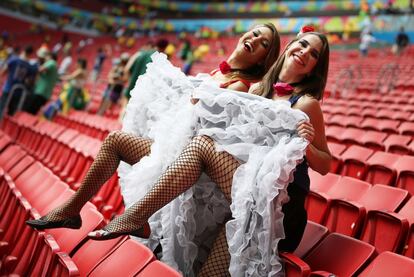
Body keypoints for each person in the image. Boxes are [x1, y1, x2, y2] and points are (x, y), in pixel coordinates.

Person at [26, 23, 282, 274]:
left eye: (264, 44)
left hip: (191, 162)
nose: (255, 40)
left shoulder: (240, 86)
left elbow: (206, 125)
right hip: (171, 147)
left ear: (263, 59)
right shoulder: (216, 73)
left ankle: (130, 218)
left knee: (119, 142)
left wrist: (192, 97)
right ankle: (72, 209)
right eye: (256, 33)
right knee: (115, 139)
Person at [92, 31, 331, 276]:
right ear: (290, 46)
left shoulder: (306, 103)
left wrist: (307, 144)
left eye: (313, 54)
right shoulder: (258, 89)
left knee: (201, 145)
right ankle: (146, 228)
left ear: (314, 69)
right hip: (244, 192)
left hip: (279, 205)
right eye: (302, 44)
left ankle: (136, 217)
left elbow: (325, 164)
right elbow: (229, 136)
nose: (304, 52)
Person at [0, 45, 38, 118]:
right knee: (11, 112)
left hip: (8, 88)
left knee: (1, 108)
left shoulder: (14, 59)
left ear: (23, 50)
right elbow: (31, 80)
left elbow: (4, 70)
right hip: (19, 91)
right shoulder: (29, 66)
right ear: (31, 54)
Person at [23, 49, 58, 115]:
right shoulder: (54, 66)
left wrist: (31, 66)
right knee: (32, 112)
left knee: (28, 111)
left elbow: (39, 70)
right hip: (43, 94)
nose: (45, 58)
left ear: (50, 57)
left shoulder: (52, 62)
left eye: (46, 56)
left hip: (40, 92)